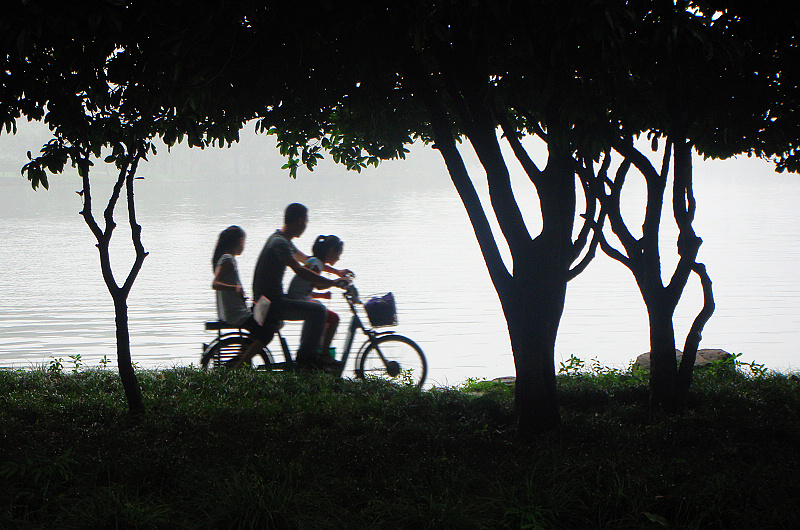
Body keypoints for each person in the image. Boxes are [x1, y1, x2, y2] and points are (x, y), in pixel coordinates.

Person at [251, 203, 351, 368]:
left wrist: (337, 272)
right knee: (318, 311)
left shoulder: (283, 240)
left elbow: (306, 260)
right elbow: (300, 270)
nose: (305, 226)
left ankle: (309, 353)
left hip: (270, 299)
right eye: (305, 222)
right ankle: (308, 358)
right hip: (271, 303)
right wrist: (332, 283)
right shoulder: (280, 243)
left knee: (314, 307)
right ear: (299, 221)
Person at [211, 225, 273, 365]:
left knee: (259, 328)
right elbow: (215, 284)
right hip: (236, 314)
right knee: (268, 330)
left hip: (233, 312)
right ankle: (240, 363)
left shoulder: (226, 259)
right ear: (239, 241)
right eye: (244, 242)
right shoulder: (227, 260)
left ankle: (242, 358)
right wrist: (235, 288)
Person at [287, 235, 346, 359]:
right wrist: (336, 282)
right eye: (338, 254)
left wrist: (337, 273)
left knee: (320, 306)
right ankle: (324, 354)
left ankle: (315, 345)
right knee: (334, 318)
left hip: (300, 297)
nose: (338, 257)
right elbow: (318, 284)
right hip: (298, 300)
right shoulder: (316, 264)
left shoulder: (314, 261)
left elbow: (312, 285)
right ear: (330, 251)